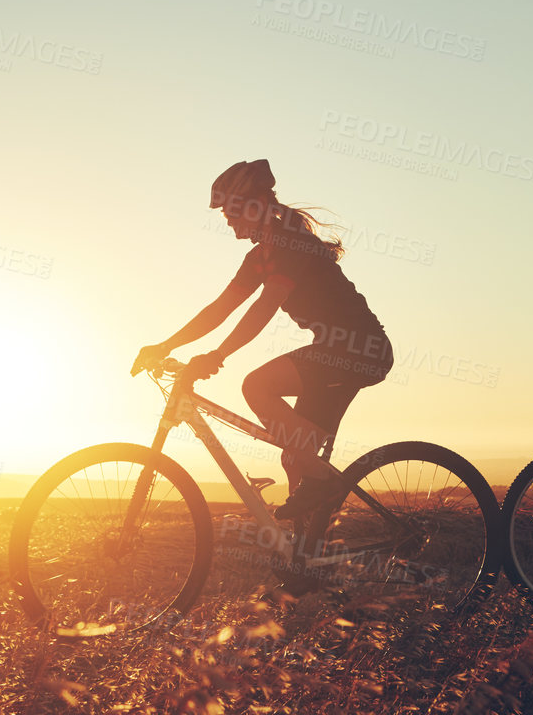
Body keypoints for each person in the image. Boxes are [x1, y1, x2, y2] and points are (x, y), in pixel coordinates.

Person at [132, 159, 393, 524]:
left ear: (255, 205)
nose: (226, 218)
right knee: (294, 457)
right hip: (337, 352)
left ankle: (325, 486)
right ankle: (304, 561)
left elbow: (264, 307)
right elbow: (219, 309)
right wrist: (165, 346)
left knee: (257, 385)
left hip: (359, 350)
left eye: (231, 209)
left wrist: (217, 355)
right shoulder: (260, 256)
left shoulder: (291, 242)